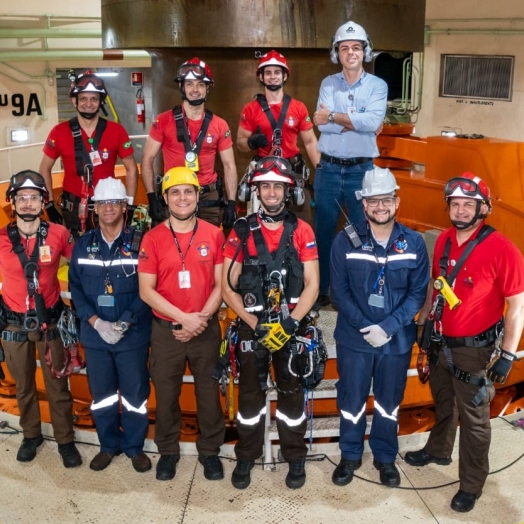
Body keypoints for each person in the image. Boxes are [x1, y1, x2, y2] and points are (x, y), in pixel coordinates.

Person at [404, 172, 524, 513]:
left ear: (482, 208)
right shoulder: (442, 241)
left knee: (473, 418)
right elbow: (436, 284)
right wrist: (425, 321)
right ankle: (439, 450)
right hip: (441, 340)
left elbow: (518, 304)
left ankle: (471, 484)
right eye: (454, 204)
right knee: (444, 400)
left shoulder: (503, 250)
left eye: (467, 205)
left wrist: (508, 353)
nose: (459, 210)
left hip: (474, 349)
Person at [222, 156, 319, 490]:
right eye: (266, 186)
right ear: (257, 190)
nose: (272, 192)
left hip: (290, 330)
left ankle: (295, 458)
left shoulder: (302, 230)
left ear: (288, 191)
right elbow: (227, 286)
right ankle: (246, 455)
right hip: (254, 328)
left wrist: (291, 324)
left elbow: (313, 284)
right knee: (250, 397)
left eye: (278, 186)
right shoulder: (241, 229)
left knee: (292, 396)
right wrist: (253, 323)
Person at [329, 167, 429, 488]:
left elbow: (417, 294)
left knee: (389, 401)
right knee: (352, 399)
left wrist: (388, 327)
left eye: (386, 200)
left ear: (397, 202)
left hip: (396, 342)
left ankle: (385, 457)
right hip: (354, 340)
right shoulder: (345, 242)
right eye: (374, 201)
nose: (380, 206)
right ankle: (350, 454)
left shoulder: (414, 243)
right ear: (364, 204)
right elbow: (338, 292)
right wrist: (365, 327)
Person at [138, 166, 225, 482]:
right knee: (166, 395)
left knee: (208, 393)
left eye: (188, 191)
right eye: (175, 192)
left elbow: (221, 285)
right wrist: (183, 318)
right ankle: (168, 453)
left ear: (198, 196)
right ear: (165, 198)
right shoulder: (153, 238)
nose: (182, 197)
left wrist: (199, 319)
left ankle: (210, 453)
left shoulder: (214, 234)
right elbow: (146, 290)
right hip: (166, 332)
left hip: (205, 329)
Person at [68, 177, 152, 473]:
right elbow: (76, 288)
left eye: (113, 202)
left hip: (133, 336)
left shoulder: (142, 242)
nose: (108, 208)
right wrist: (95, 321)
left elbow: (149, 288)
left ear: (124, 207)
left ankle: (133, 446)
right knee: (101, 394)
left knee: (134, 395)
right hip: (95, 337)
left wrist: (126, 322)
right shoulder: (83, 244)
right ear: (94, 208)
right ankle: (108, 444)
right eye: (102, 203)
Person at [0, 170, 82, 468]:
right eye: (21, 198)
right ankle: (31, 435)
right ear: (13, 202)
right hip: (13, 324)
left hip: (51, 322)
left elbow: (83, 265)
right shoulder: (0, 239)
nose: (28, 203)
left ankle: (65, 439)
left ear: (43, 202)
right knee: (23, 386)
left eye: (34, 198)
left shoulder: (59, 235)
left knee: (58, 386)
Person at [312, 21, 388, 307]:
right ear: (337, 53)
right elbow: (322, 125)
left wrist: (335, 117)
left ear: (364, 51)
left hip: (360, 171)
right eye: (345, 48)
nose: (351, 52)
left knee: (361, 233)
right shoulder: (328, 83)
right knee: (324, 232)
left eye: (356, 47)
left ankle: (355, 291)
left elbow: (372, 122)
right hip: (328, 168)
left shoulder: (377, 85)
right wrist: (359, 123)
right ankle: (321, 291)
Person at [141, 57, 238, 229]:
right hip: (175, 193)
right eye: (190, 84)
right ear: (181, 86)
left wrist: (231, 202)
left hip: (208, 197)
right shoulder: (163, 121)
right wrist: (151, 196)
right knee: (171, 249)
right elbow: (147, 159)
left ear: (207, 88)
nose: (195, 89)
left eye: (200, 84)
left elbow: (229, 165)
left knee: (208, 248)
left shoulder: (219, 124)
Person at [39, 70, 138, 237]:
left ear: (100, 102)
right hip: (74, 209)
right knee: (77, 255)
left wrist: (129, 204)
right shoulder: (59, 132)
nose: (88, 104)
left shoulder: (116, 131)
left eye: (94, 99)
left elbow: (132, 169)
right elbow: (44, 169)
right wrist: (48, 205)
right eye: (83, 99)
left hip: (109, 206)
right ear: (74, 100)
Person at [237, 50, 320, 224]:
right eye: (268, 73)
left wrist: (321, 171)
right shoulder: (250, 109)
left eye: (277, 72)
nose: (272, 77)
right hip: (264, 174)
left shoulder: (298, 108)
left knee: (301, 223)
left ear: (284, 76)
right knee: (262, 225)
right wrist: (251, 143)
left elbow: (310, 142)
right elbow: (240, 144)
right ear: (261, 77)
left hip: (292, 171)